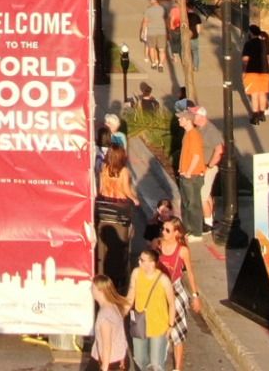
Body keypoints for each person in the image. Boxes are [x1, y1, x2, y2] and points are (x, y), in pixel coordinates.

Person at [152, 217, 201, 370]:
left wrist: (195, 296)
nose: (163, 232)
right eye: (163, 229)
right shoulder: (157, 244)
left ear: (177, 233)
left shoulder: (182, 250)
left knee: (177, 333)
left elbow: (190, 273)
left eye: (167, 230)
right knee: (159, 328)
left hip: (175, 289)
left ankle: (178, 368)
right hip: (158, 289)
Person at [97, 144, 138, 292]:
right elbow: (126, 191)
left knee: (103, 247)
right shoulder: (124, 171)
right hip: (120, 211)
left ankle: (102, 276)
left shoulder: (104, 168)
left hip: (105, 210)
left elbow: (101, 189)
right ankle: (119, 279)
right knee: (120, 247)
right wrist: (135, 200)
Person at [173, 107, 216, 240]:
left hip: (192, 176)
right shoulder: (187, 134)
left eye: (181, 118)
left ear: (188, 120)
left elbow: (196, 156)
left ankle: (197, 233)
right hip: (185, 174)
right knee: (186, 205)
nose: (179, 120)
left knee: (193, 205)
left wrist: (189, 172)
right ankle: (188, 230)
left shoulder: (194, 135)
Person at [129, 247, 174, 371]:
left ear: (152, 263)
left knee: (156, 363)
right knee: (140, 360)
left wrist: (170, 325)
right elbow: (131, 295)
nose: (139, 262)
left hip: (158, 326)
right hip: (140, 325)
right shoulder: (136, 273)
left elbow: (171, 303)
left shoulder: (163, 280)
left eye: (142, 260)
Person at [91, 275, 132, 371]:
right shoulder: (114, 306)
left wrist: (104, 368)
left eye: (93, 288)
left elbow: (106, 344)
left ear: (100, 291)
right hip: (120, 358)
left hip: (110, 362)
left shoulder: (104, 315)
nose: (91, 290)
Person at [242, 24, 269, 124]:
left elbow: (245, 60)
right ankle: (262, 114)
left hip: (252, 71)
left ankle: (255, 116)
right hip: (264, 71)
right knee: (262, 93)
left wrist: (244, 72)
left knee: (254, 94)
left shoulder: (248, 44)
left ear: (251, 33)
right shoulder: (264, 43)